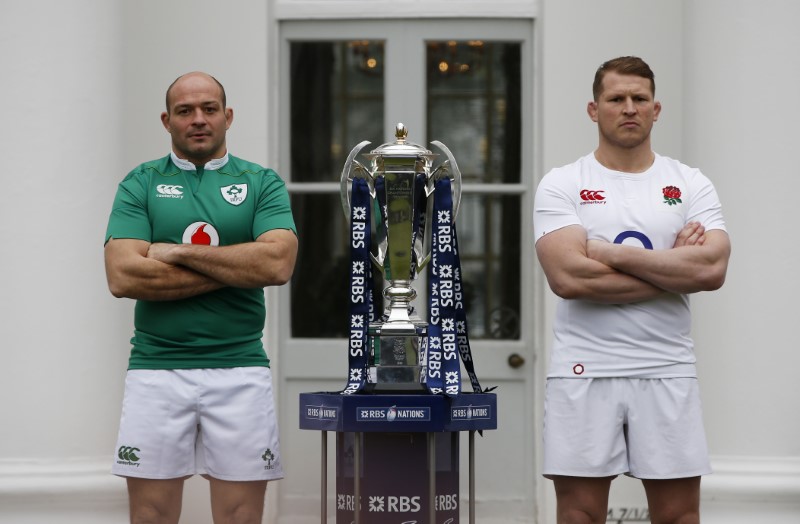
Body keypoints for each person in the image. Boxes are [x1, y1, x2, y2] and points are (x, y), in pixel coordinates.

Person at [533, 56, 731, 524]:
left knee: (680, 515)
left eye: (639, 99)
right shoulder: (563, 184)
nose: (628, 108)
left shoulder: (689, 183)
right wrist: (669, 269)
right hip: (584, 367)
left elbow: (711, 270)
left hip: (667, 365)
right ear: (593, 108)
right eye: (616, 99)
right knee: (579, 513)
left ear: (656, 109)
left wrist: (610, 253)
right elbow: (569, 278)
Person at [104, 71, 298, 524]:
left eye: (209, 109)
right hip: (156, 368)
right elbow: (122, 275)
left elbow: (276, 265)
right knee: (151, 516)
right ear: (166, 120)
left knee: (240, 518)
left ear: (227, 117)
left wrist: (176, 253)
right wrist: (237, 267)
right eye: (185, 110)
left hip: (240, 368)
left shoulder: (261, 182)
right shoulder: (141, 183)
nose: (198, 119)